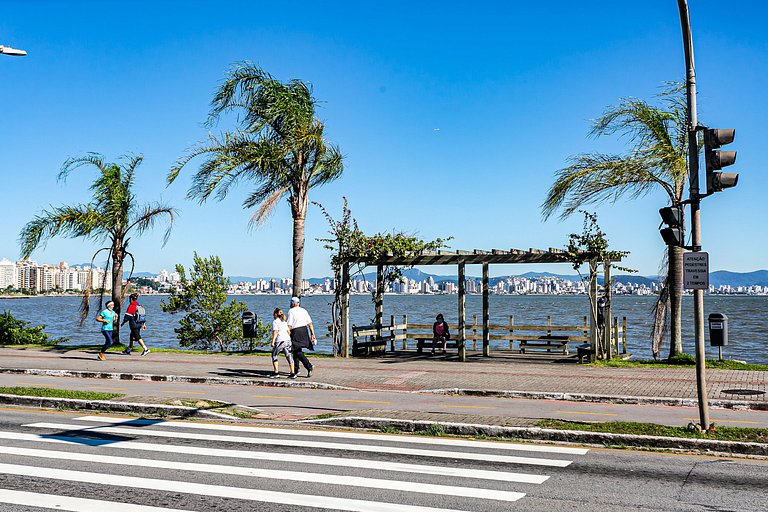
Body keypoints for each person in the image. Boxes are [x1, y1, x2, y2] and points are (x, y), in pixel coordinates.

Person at [286, 296, 315, 378]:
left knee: (297, 351)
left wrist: (287, 334)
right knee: (295, 351)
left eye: (291, 302)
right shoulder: (304, 311)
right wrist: (312, 334)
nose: (290, 304)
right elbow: (310, 323)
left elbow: (289, 325)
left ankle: (309, 366)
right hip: (304, 331)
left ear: (293, 303)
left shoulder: (291, 311)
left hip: (296, 332)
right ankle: (296, 370)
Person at [270, 308, 295, 378]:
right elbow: (289, 332)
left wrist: (273, 342)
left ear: (275, 314)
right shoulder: (284, 321)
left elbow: (275, 332)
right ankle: (292, 373)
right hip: (287, 340)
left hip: (280, 340)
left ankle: (276, 373)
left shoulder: (275, 321)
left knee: (274, 355)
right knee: (288, 355)